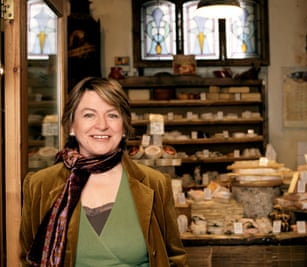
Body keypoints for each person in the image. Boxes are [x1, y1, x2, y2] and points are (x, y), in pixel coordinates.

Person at [20, 77, 188, 266]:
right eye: (89, 115)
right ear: (71, 126)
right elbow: (27, 258)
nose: (102, 125)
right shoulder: (39, 184)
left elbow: (175, 259)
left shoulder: (154, 183)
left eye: (112, 115)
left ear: (124, 126)